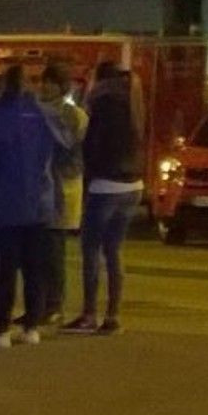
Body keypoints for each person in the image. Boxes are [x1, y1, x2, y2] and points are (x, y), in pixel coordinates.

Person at [66, 62, 144, 336]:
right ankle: (113, 315)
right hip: (133, 184)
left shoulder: (101, 102)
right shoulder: (132, 100)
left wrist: (88, 171)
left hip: (105, 184)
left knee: (90, 249)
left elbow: (92, 144)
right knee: (114, 250)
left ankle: (89, 313)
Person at [0, 65, 55, 348]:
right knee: (33, 268)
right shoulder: (40, 115)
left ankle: (2, 329)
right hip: (37, 203)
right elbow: (53, 152)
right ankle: (31, 327)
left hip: (5, 203)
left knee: (6, 269)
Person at [36, 61, 88, 325]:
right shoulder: (35, 111)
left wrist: (47, 118)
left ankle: (54, 305)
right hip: (40, 189)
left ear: (62, 87)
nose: (44, 87)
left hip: (62, 188)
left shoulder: (72, 115)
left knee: (54, 251)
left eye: (51, 82)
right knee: (38, 250)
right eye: (43, 82)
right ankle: (39, 304)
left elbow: (69, 145)